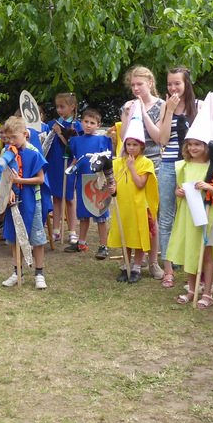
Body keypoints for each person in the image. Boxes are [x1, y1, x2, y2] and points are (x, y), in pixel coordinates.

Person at [166, 101, 213, 308]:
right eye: (190, 144)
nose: (193, 148)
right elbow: (177, 189)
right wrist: (179, 192)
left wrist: (209, 187)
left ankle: (207, 292)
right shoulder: (183, 166)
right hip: (187, 215)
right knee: (189, 251)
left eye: (198, 144)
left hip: (205, 215)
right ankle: (192, 289)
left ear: (206, 147)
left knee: (205, 253)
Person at [119, 66, 165, 279]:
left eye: (140, 84)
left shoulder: (161, 106)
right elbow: (124, 136)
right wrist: (128, 115)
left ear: (150, 83)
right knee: (132, 212)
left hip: (152, 162)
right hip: (131, 162)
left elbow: (157, 137)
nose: (136, 88)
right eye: (133, 85)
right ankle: (137, 258)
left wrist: (143, 112)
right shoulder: (127, 106)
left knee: (150, 214)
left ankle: (153, 261)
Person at [155, 66, 198, 288]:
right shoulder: (165, 106)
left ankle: (192, 265)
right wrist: (170, 111)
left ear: (186, 84)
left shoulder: (198, 106)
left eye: (177, 83)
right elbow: (162, 140)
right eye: (169, 84)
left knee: (193, 214)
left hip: (193, 166)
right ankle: (168, 268)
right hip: (169, 165)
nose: (173, 88)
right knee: (166, 217)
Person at [0, 116, 50, 289]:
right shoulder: (7, 152)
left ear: (25, 134)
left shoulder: (33, 152)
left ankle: (39, 273)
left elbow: (40, 179)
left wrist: (20, 180)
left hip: (32, 201)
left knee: (36, 237)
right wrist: (10, 189)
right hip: (14, 201)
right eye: (8, 138)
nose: (11, 141)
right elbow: (5, 176)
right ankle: (17, 272)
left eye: (15, 137)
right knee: (14, 237)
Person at [107, 117, 157, 283]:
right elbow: (114, 183)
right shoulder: (118, 163)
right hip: (124, 206)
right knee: (125, 235)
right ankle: (126, 265)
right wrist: (112, 189)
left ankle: (136, 267)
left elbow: (140, 184)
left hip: (139, 206)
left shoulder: (146, 163)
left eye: (135, 145)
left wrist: (132, 167)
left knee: (138, 236)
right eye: (128, 144)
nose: (131, 148)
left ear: (141, 146)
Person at [66, 108, 113, 258]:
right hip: (82, 180)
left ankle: (103, 245)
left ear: (98, 125)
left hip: (98, 180)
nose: (88, 125)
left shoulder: (102, 140)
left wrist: (109, 180)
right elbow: (77, 158)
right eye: (86, 121)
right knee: (83, 213)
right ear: (81, 122)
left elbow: (107, 160)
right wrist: (70, 169)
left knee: (100, 213)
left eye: (92, 123)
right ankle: (81, 242)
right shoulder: (76, 141)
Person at [48, 93, 82, 246]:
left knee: (69, 197)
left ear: (72, 107)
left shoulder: (77, 125)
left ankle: (72, 231)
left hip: (69, 164)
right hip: (55, 163)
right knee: (56, 197)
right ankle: (56, 229)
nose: (59, 110)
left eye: (62, 106)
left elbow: (73, 145)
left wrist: (60, 133)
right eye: (57, 107)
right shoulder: (53, 123)